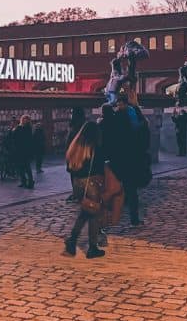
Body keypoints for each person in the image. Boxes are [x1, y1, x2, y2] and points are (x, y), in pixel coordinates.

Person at [63, 122, 106, 259]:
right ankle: (92, 248)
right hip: (92, 183)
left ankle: (72, 241)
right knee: (93, 215)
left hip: (77, 184)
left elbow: (69, 168)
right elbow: (99, 165)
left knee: (85, 213)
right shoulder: (94, 146)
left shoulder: (75, 146)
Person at [107, 95, 151, 226]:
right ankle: (133, 219)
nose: (119, 106)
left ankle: (123, 217)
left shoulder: (116, 118)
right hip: (131, 159)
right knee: (130, 190)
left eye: (120, 104)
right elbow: (143, 137)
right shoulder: (134, 120)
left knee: (125, 189)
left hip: (121, 160)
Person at [65, 107, 87, 202]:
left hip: (74, 154)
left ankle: (77, 194)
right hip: (84, 154)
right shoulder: (85, 125)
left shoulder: (74, 126)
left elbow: (70, 141)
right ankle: (81, 193)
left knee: (75, 175)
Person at [11, 115, 35, 189]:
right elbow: (14, 136)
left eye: (27, 119)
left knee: (26, 167)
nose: (25, 120)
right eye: (24, 119)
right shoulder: (20, 127)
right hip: (19, 150)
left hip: (25, 150)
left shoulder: (28, 128)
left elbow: (29, 140)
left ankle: (30, 182)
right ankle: (23, 181)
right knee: (20, 167)